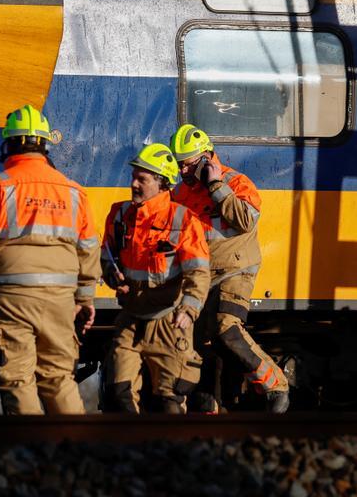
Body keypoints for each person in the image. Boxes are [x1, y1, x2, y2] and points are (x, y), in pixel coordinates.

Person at [0, 104, 100, 415]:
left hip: (10, 298)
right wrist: (85, 297)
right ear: (44, 145)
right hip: (60, 298)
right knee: (59, 377)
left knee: (17, 378)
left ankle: (31, 452)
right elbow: (88, 248)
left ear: (9, 144)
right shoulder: (73, 191)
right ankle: (77, 448)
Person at [169, 123, 290, 412]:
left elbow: (245, 220)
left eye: (187, 165)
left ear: (207, 158)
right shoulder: (180, 194)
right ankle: (208, 411)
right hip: (199, 275)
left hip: (235, 268)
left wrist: (215, 186)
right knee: (197, 344)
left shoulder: (236, 183)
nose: (182, 172)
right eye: (178, 165)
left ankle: (275, 385)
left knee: (225, 327)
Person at [102, 143, 210, 414]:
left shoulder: (183, 220)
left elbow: (198, 272)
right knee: (119, 392)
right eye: (133, 177)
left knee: (169, 400)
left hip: (169, 321)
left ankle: (174, 453)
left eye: (142, 179)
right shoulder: (119, 215)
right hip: (131, 318)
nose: (134, 184)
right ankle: (134, 452)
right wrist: (112, 276)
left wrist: (189, 309)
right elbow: (106, 257)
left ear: (162, 183)